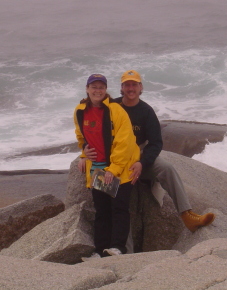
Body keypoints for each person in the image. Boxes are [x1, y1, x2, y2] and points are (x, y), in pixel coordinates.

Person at [85, 70, 215, 233]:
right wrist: (84, 153)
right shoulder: (112, 106)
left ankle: (187, 215)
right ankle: (121, 249)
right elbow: (90, 128)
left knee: (167, 168)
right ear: (122, 87)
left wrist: (142, 162)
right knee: (118, 200)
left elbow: (155, 143)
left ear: (140, 87)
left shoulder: (146, 111)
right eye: (127, 85)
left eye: (134, 84)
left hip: (137, 156)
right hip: (114, 158)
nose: (130, 88)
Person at [74, 74, 140, 261]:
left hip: (119, 169)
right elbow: (81, 136)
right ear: (87, 89)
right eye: (94, 87)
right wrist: (84, 153)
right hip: (98, 169)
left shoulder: (116, 110)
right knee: (102, 211)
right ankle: (100, 250)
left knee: (119, 208)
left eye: (101, 87)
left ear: (106, 90)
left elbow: (124, 141)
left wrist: (114, 169)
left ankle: (118, 248)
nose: (97, 90)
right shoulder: (80, 111)